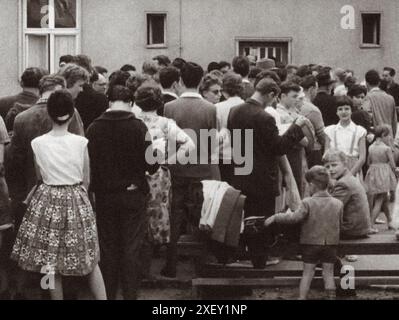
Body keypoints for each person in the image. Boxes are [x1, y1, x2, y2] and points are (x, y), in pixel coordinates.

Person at [10, 90, 106, 300]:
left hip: (47, 199)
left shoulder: (38, 143)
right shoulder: (81, 142)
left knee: (49, 261)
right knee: (89, 260)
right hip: (76, 198)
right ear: (72, 114)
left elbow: (39, 177)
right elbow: (86, 178)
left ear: (49, 113)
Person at [87, 85, 159, 300]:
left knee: (107, 247)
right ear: (131, 103)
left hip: (105, 195)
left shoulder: (94, 128)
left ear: (109, 101)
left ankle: (108, 293)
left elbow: (89, 164)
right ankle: (130, 294)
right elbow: (151, 165)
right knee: (131, 247)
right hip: (132, 194)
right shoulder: (139, 127)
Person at [228, 78, 306, 269]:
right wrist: (297, 127)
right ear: (271, 94)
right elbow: (278, 147)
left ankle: (247, 256)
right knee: (262, 221)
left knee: (247, 218)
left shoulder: (234, 111)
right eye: (274, 99)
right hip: (262, 177)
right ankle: (260, 261)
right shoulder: (265, 117)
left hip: (241, 171)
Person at [163, 62, 219, 278]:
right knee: (202, 217)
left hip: (177, 170)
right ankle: (202, 265)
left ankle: (171, 264)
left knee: (175, 218)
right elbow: (212, 143)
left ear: (181, 81)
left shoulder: (170, 108)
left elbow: (169, 142)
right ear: (200, 80)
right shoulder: (210, 108)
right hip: (202, 170)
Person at [135, 84, 195, 276]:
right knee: (156, 216)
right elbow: (189, 144)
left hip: (134, 173)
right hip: (158, 174)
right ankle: (151, 262)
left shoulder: (133, 121)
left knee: (137, 218)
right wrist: (170, 161)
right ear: (159, 102)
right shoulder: (165, 123)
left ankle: (140, 267)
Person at [265, 166, 343, 300]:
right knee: (328, 273)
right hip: (330, 243)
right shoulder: (338, 203)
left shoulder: (307, 202)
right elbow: (339, 223)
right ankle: (331, 297)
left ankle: (302, 298)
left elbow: (294, 218)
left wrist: (276, 217)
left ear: (312, 185)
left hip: (310, 244)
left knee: (307, 273)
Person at [323, 149, 372, 239]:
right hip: (359, 227)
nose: (331, 169)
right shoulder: (349, 178)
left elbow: (330, 209)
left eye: (334, 165)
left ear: (345, 164)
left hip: (351, 230)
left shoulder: (343, 183)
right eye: (327, 167)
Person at [324, 96, 367, 180]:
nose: (343, 112)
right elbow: (326, 154)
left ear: (351, 111)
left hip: (353, 169)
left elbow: (362, 158)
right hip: (334, 170)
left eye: (347, 109)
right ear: (336, 112)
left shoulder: (359, 131)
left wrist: (349, 175)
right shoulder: (330, 130)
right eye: (340, 109)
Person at [365, 125, 397, 230]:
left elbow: (368, 162)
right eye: (388, 136)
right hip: (384, 174)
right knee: (380, 199)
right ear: (383, 135)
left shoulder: (371, 147)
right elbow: (393, 165)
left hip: (373, 173)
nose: (389, 138)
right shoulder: (386, 148)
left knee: (384, 199)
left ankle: (390, 221)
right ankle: (370, 224)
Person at [216, 72, 244, 184]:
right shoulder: (248, 107)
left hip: (223, 157)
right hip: (244, 156)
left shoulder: (217, 108)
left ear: (224, 90)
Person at [300, 75, 327, 167]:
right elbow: (322, 135)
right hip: (313, 151)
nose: (316, 92)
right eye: (316, 89)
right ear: (311, 89)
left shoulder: (294, 105)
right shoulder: (313, 110)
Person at [363, 69, 397, 139]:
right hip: (389, 136)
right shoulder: (390, 98)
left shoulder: (367, 98)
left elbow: (367, 118)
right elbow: (394, 121)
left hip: (375, 138)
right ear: (379, 83)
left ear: (367, 83)